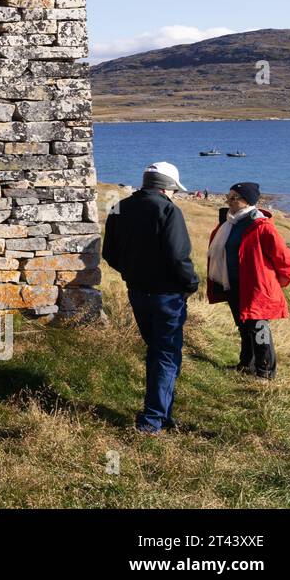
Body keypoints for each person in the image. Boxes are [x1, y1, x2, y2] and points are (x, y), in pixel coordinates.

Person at [101, 161, 199, 434]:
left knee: (158, 352)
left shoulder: (119, 207)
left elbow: (109, 253)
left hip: (137, 292)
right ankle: (153, 420)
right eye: (175, 191)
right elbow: (179, 257)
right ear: (167, 188)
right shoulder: (168, 210)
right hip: (167, 295)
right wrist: (190, 284)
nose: (175, 195)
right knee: (165, 355)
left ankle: (162, 413)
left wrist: (130, 273)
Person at [205, 181, 290, 380]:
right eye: (228, 196)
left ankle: (265, 372)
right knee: (244, 327)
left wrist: (278, 282)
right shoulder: (229, 222)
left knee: (259, 329)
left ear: (248, 201)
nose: (228, 200)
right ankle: (246, 365)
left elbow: (284, 259)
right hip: (232, 284)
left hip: (256, 288)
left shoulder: (262, 226)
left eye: (234, 198)